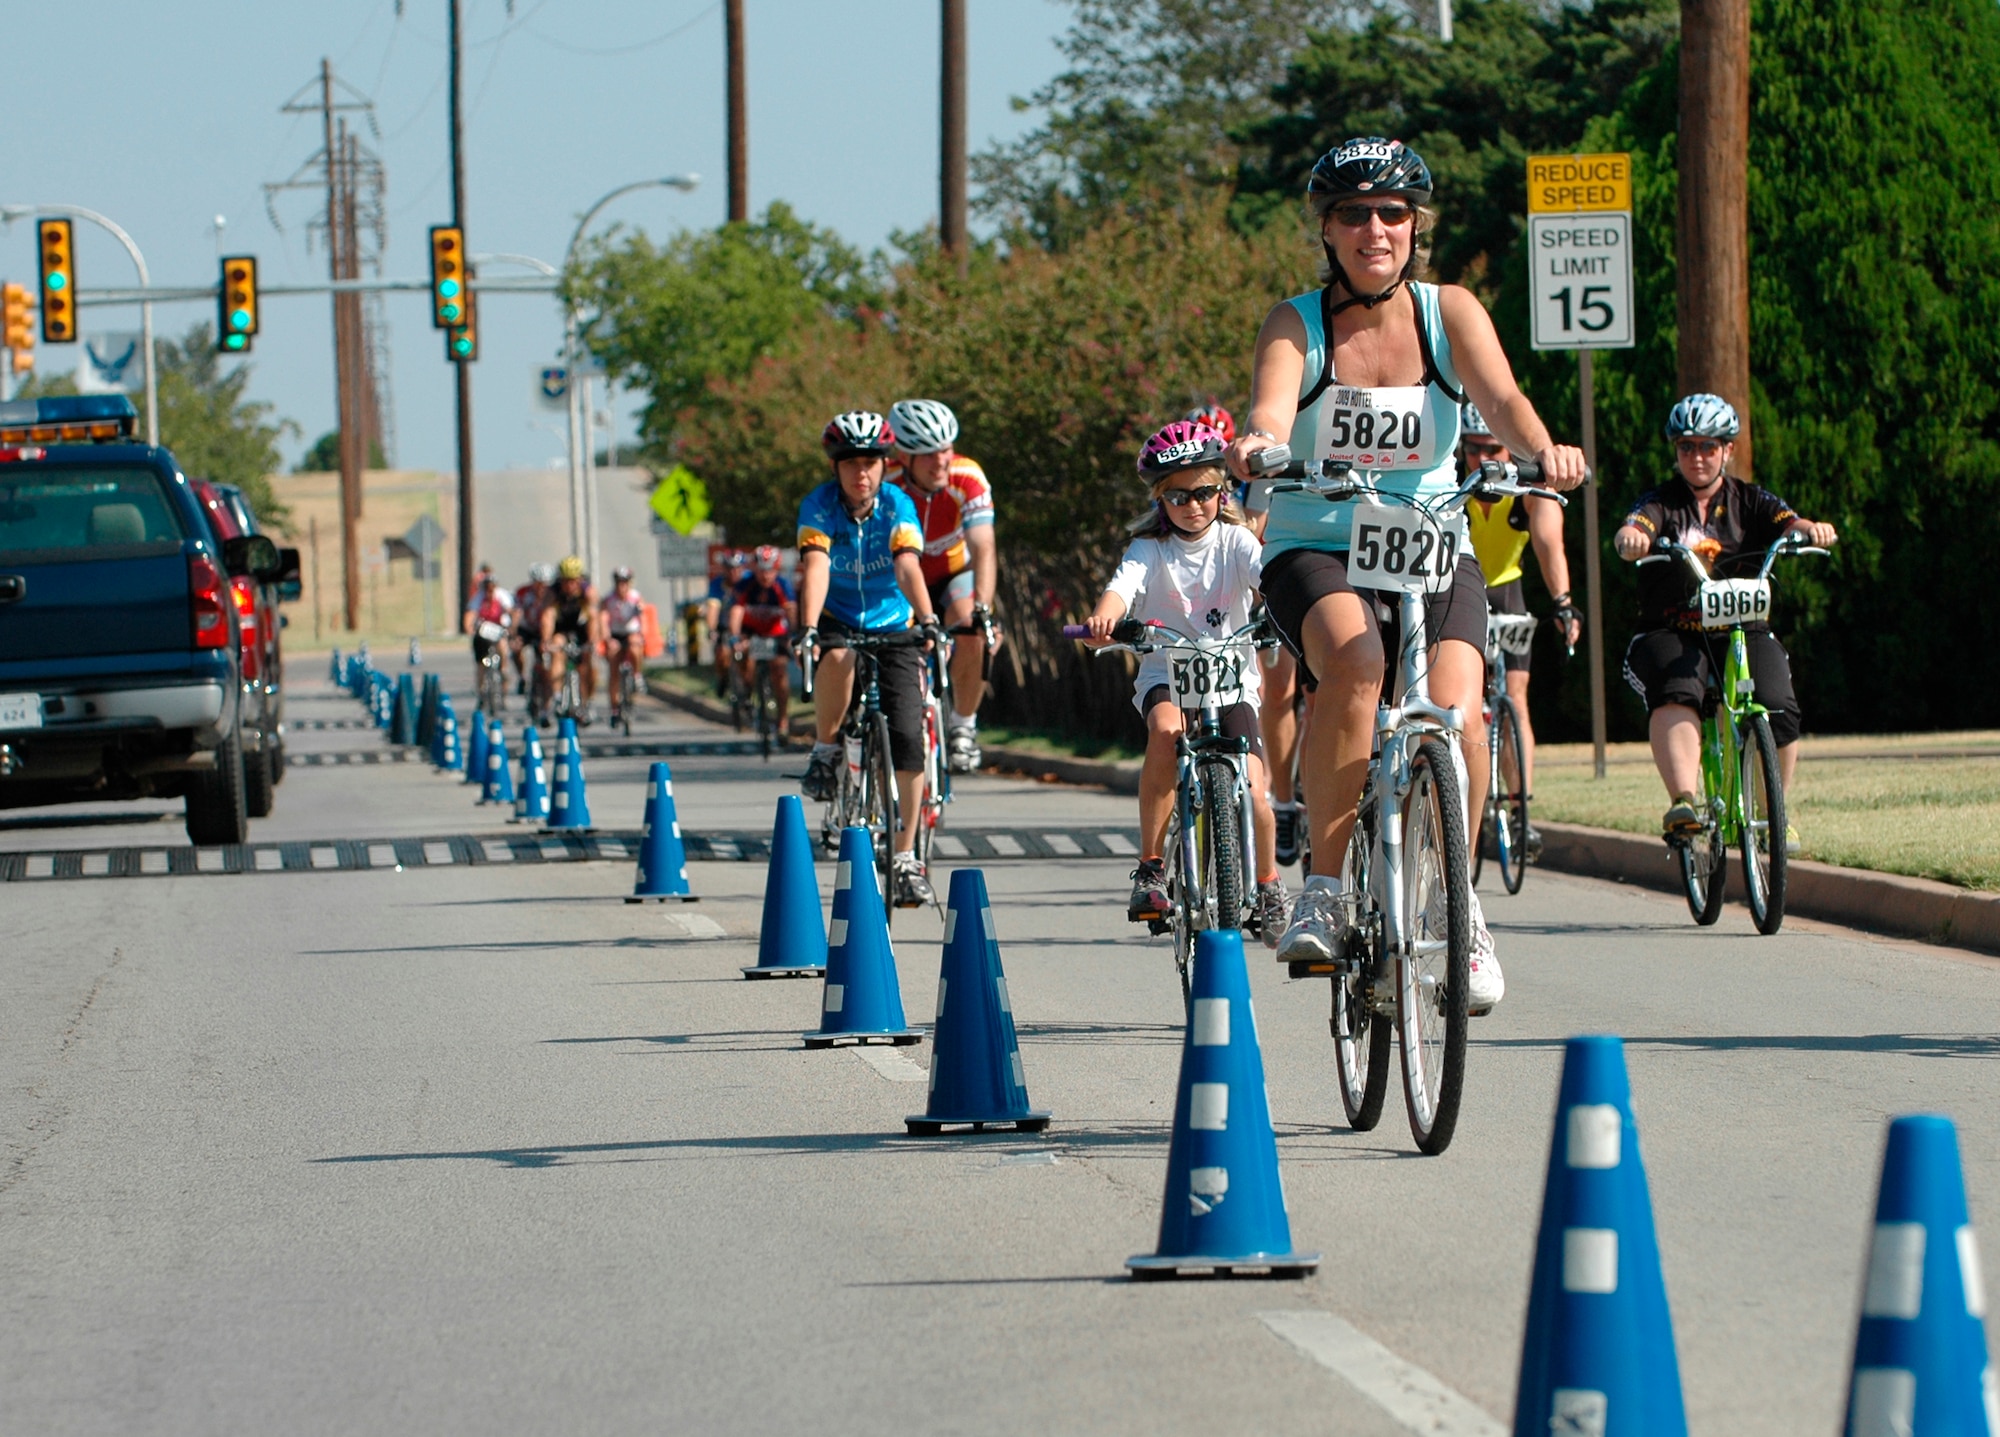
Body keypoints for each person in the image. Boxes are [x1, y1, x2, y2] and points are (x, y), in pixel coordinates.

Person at [1227, 136, 1587, 1016]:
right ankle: (1320, 887)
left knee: (1461, 718)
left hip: (1426, 540)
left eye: (1392, 212)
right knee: (1354, 665)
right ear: (1328, 230)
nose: (1374, 229)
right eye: (1353, 213)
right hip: (1317, 541)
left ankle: (1459, 919)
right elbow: (1272, 404)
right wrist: (1261, 442)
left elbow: (1500, 398)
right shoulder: (1297, 323)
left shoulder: (1447, 312)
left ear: (1415, 225)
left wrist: (1544, 452)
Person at [1081, 420, 1287, 944]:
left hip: (1232, 681)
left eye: (1205, 492)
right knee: (1165, 733)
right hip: (1166, 672)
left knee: (1258, 794)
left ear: (1222, 492)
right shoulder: (1148, 549)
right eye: (1178, 497)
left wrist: (1285, 610)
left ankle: (1268, 884)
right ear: (1159, 501)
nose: (1194, 506)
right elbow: (1120, 589)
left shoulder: (1237, 541)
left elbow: (1268, 576)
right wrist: (1104, 620)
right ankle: (1151, 867)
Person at [1613, 393, 1836, 850]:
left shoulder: (1750, 500)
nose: (1697, 457)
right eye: (1687, 447)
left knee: (1778, 704)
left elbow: (1788, 521)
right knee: (1678, 690)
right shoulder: (1661, 502)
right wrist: (1632, 539)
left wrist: (1810, 530)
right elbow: (1634, 526)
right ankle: (1684, 802)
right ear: (1675, 451)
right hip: (1671, 629)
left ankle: (1771, 814)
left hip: (1742, 627)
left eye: (1709, 447)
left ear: (1727, 451)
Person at [797, 411, 943, 908]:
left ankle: (905, 859)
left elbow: (907, 565)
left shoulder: (898, 504)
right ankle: (826, 750)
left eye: (872, 464)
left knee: (908, 739)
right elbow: (816, 566)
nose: (862, 474)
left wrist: (926, 618)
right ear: (836, 467)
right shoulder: (818, 507)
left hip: (893, 625)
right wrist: (811, 627)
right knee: (835, 656)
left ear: (886, 466)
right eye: (851, 464)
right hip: (839, 618)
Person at [1461, 401, 1580, 858]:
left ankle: (1517, 807)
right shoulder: (1454, 481)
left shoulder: (1528, 484)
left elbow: (1550, 543)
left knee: (1516, 698)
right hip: (1459, 585)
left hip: (1507, 592)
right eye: (1473, 450)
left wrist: (1564, 603)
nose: (1484, 460)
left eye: (1494, 449)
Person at [1203, 398, 1308, 867]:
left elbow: (1255, 530)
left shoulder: (1256, 475)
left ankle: (1287, 800)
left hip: (1270, 578)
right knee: (1278, 693)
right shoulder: (1195, 494)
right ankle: (1282, 801)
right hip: (1245, 598)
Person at [886, 398, 1000, 774]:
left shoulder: (967, 476)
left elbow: (983, 546)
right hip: (901, 577)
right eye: (928, 454)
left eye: (946, 449)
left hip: (954, 573)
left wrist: (983, 610)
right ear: (903, 455)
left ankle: (963, 727)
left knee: (972, 630)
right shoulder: (886, 482)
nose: (941, 461)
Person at [727, 544, 798, 738]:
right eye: (761, 571)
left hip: (776, 632)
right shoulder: (745, 585)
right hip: (751, 632)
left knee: (779, 670)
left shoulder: (782, 585)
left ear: (776, 569)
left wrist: (794, 634)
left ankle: (782, 720)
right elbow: (736, 611)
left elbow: (791, 609)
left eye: (770, 571)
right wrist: (735, 636)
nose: (765, 576)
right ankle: (748, 692)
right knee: (744, 658)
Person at [540, 555, 598, 722]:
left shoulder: (588, 591)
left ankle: (588, 701)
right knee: (557, 648)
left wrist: (592, 642)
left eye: (573, 581)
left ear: (579, 579)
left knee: (589, 663)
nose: (570, 585)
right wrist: (546, 641)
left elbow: (594, 617)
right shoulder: (553, 592)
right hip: (561, 628)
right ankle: (558, 697)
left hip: (581, 628)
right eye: (566, 581)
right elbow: (547, 617)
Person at [599, 566, 647, 724]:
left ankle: (637, 675)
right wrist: (608, 640)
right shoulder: (608, 599)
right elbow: (603, 621)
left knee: (635, 646)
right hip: (615, 634)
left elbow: (643, 618)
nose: (622, 586)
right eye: (619, 582)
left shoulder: (635, 597)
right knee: (613, 667)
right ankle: (614, 708)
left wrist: (642, 635)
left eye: (625, 582)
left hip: (631, 633)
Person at [703, 551, 751, 698]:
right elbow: (713, 608)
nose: (733, 572)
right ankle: (723, 678)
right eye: (729, 568)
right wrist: (711, 629)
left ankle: (748, 688)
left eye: (737, 568)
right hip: (724, 625)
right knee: (721, 653)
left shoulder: (750, 581)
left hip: (747, 625)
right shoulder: (718, 584)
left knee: (748, 656)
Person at [512, 562, 554, 697]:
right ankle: (522, 677)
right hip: (526, 628)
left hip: (543, 630)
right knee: (516, 648)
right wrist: (513, 633)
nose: (541, 588)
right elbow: (516, 614)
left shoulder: (553, 595)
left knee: (546, 658)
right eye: (538, 584)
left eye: (545, 584)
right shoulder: (523, 593)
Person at [465, 572, 514, 678]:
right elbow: (471, 613)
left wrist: (512, 625)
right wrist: (469, 627)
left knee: (502, 645)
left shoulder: (501, 595)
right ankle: (481, 686)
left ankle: (503, 669)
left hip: (499, 627)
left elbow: (510, 610)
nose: (489, 590)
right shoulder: (479, 597)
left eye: (492, 586)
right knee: (481, 660)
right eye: (487, 587)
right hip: (483, 629)